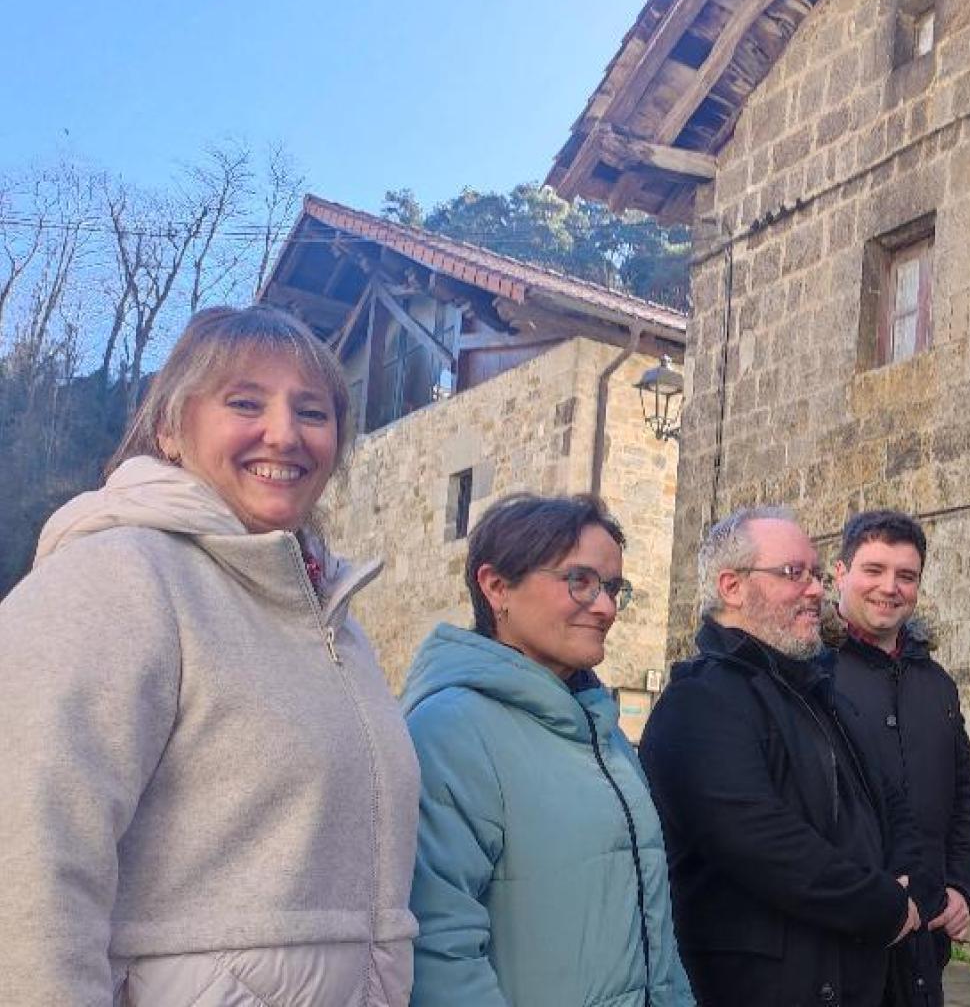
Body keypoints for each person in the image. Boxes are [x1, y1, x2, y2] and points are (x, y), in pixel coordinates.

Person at [0, 304, 419, 1005]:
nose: (284, 434)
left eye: (312, 412)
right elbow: (25, 859)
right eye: (245, 402)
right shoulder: (119, 576)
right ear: (170, 427)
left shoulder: (337, 623)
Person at [402, 493, 693, 1007]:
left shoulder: (602, 732)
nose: (604, 607)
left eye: (613, 587)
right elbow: (438, 947)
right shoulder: (450, 730)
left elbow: (652, 930)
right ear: (496, 587)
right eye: (579, 581)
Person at [641, 506, 922, 1007]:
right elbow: (764, 844)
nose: (815, 589)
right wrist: (884, 906)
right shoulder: (698, 703)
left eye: (815, 573)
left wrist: (911, 883)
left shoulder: (817, 691)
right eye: (794, 573)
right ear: (732, 587)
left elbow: (888, 801)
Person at [824, 511, 970, 1007]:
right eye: (873, 570)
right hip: (839, 947)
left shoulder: (936, 685)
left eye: (906, 575)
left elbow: (962, 797)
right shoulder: (811, 676)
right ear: (840, 573)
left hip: (925, 949)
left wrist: (962, 885)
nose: (889, 587)